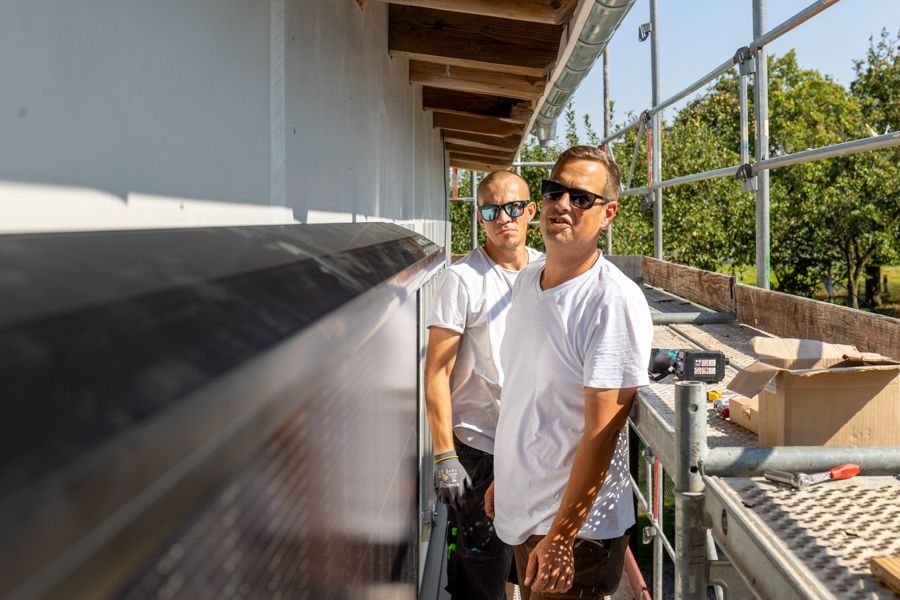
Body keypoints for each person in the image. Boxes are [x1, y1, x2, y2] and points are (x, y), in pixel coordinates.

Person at [486, 146, 653, 599]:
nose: (563, 203)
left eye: (581, 198)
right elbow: (531, 394)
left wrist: (561, 537)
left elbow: (602, 434)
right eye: (554, 190)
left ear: (609, 214)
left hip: (574, 536)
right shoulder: (527, 281)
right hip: (530, 514)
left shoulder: (611, 302)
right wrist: (510, 473)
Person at [425, 170, 541, 600]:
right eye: (491, 210)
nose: (503, 218)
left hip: (536, 445)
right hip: (481, 449)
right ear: (480, 216)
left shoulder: (548, 272)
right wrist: (444, 455)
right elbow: (436, 371)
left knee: (534, 560)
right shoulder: (463, 279)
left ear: (530, 211)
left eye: (513, 208)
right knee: (481, 568)